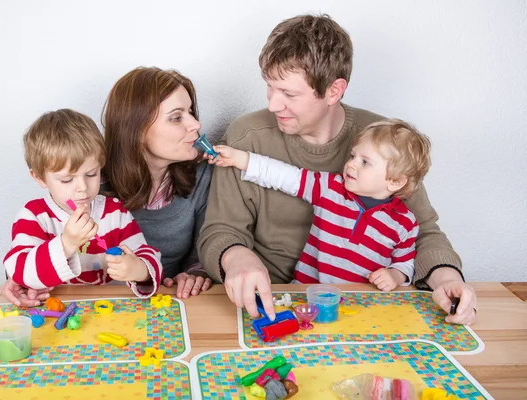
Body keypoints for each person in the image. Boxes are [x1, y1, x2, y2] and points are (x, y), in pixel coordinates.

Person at [198, 14, 477, 325]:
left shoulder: (383, 140)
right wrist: (237, 258)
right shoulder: (246, 136)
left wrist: (448, 280)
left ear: (334, 91)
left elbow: (423, 232)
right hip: (274, 299)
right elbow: (220, 231)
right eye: (270, 87)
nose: (274, 105)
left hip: (364, 306)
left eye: (289, 94)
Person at [210, 119, 430, 292]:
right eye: (353, 156)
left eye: (365, 162)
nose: (351, 164)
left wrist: (394, 275)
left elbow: (405, 263)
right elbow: (285, 176)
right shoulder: (330, 188)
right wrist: (240, 159)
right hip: (307, 295)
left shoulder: (405, 223)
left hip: (363, 306)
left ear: (395, 181)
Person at [2, 109, 162, 303]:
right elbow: (19, 271)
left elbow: (149, 255)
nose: (82, 188)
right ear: (39, 177)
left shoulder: (115, 212)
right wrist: (66, 243)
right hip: (55, 313)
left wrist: (139, 270)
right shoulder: (34, 216)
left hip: (111, 311)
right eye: (67, 179)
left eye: (92, 174)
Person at [102, 67, 213, 299]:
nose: (195, 125)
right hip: (105, 307)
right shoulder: (90, 182)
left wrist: (194, 274)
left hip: (167, 304)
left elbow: (202, 252)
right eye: (176, 117)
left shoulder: (202, 174)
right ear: (137, 130)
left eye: (191, 112)